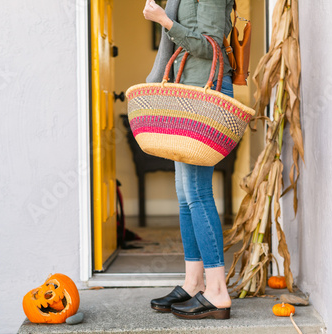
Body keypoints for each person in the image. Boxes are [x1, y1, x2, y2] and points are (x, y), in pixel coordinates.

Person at [143, 0, 235, 320]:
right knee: (185, 196)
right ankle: (194, 283)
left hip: (203, 91)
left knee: (197, 193)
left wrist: (164, 21)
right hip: (187, 91)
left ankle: (218, 291)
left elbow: (210, 48)